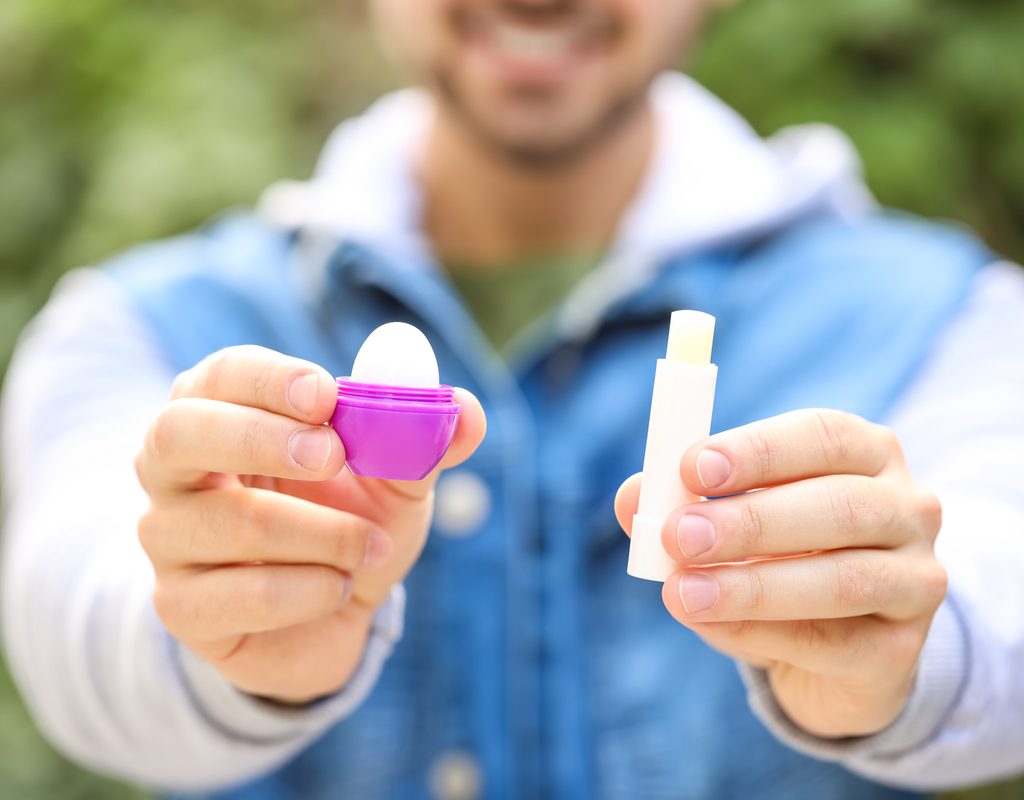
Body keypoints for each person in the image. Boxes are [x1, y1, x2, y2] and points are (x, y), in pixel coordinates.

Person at [3, 1, 1024, 798]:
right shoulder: (134, 326)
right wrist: (214, 628)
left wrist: (911, 653)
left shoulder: (953, 318)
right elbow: (68, 613)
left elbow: (1000, 588)